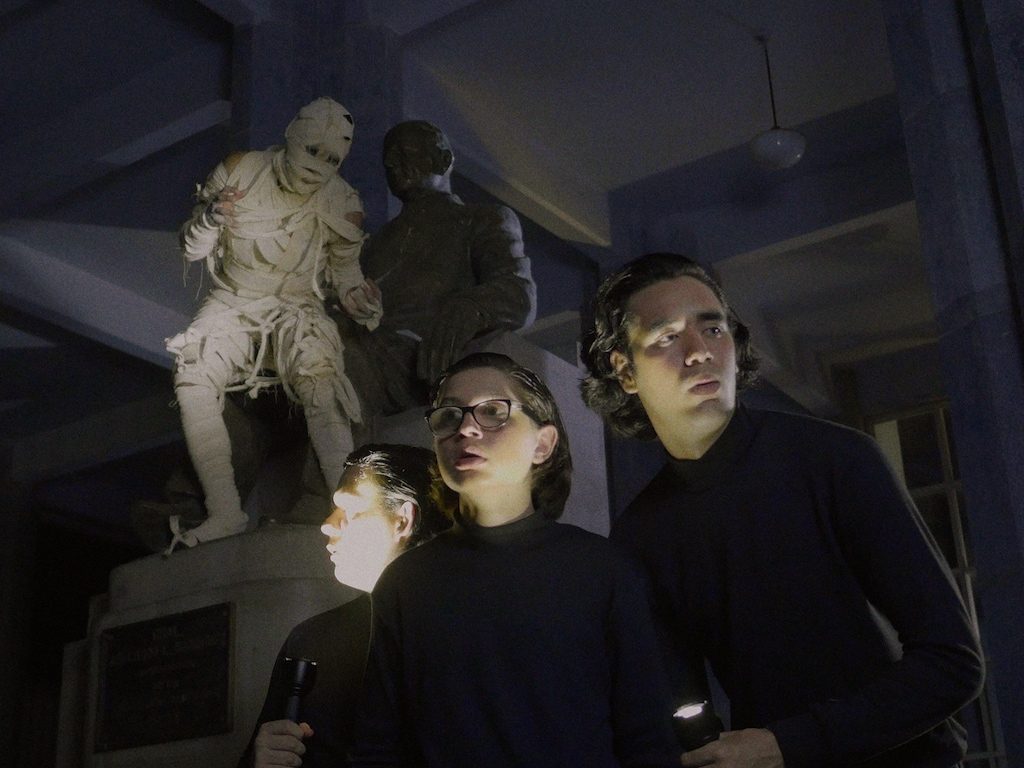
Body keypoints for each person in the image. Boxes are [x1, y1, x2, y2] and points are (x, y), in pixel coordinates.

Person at [579, 252, 985, 767]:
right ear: (624, 371)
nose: (700, 352)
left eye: (713, 329)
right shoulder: (641, 535)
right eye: (667, 337)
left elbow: (953, 663)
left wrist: (784, 744)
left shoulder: (838, 459)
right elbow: (681, 709)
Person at [349, 352, 679, 768]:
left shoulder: (604, 571)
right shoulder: (405, 582)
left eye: (492, 411)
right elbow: (378, 746)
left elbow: (648, 739)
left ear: (543, 444)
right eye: (449, 415)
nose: (465, 428)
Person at [165, 97, 383, 549]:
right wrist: (210, 219)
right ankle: (225, 511)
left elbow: (346, 277)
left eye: (331, 159)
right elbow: (192, 247)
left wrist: (360, 301)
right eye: (312, 150)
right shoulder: (240, 171)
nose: (317, 166)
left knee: (322, 381)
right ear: (291, 136)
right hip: (234, 297)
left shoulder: (343, 203)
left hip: (296, 304)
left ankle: (350, 512)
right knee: (192, 376)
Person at [238, 443, 456, 768]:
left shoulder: (465, 630)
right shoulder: (311, 640)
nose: (327, 524)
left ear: (402, 520)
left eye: (350, 510)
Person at [340, 120, 536, 428]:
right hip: (360, 348)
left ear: (443, 160)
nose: (392, 162)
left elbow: (518, 293)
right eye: (388, 156)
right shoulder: (371, 245)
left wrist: (469, 307)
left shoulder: (481, 220)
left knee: (342, 361)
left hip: (417, 363)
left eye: (405, 152)